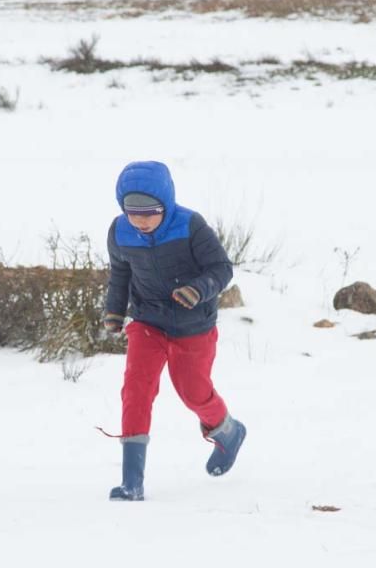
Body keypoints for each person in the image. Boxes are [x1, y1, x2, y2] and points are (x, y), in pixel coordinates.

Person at [103, 160, 246, 501]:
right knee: (136, 390)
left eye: (150, 212)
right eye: (132, 212)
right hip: (147, 322)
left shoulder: (190, 226)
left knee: (193, 392)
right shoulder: (120, 231)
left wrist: (198, 290)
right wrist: (114, 310)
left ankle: (228, 431)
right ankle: (131, 482)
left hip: (193, 324)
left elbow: (221, 268)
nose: (140, 220)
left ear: (166, 205)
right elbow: (120, 274)